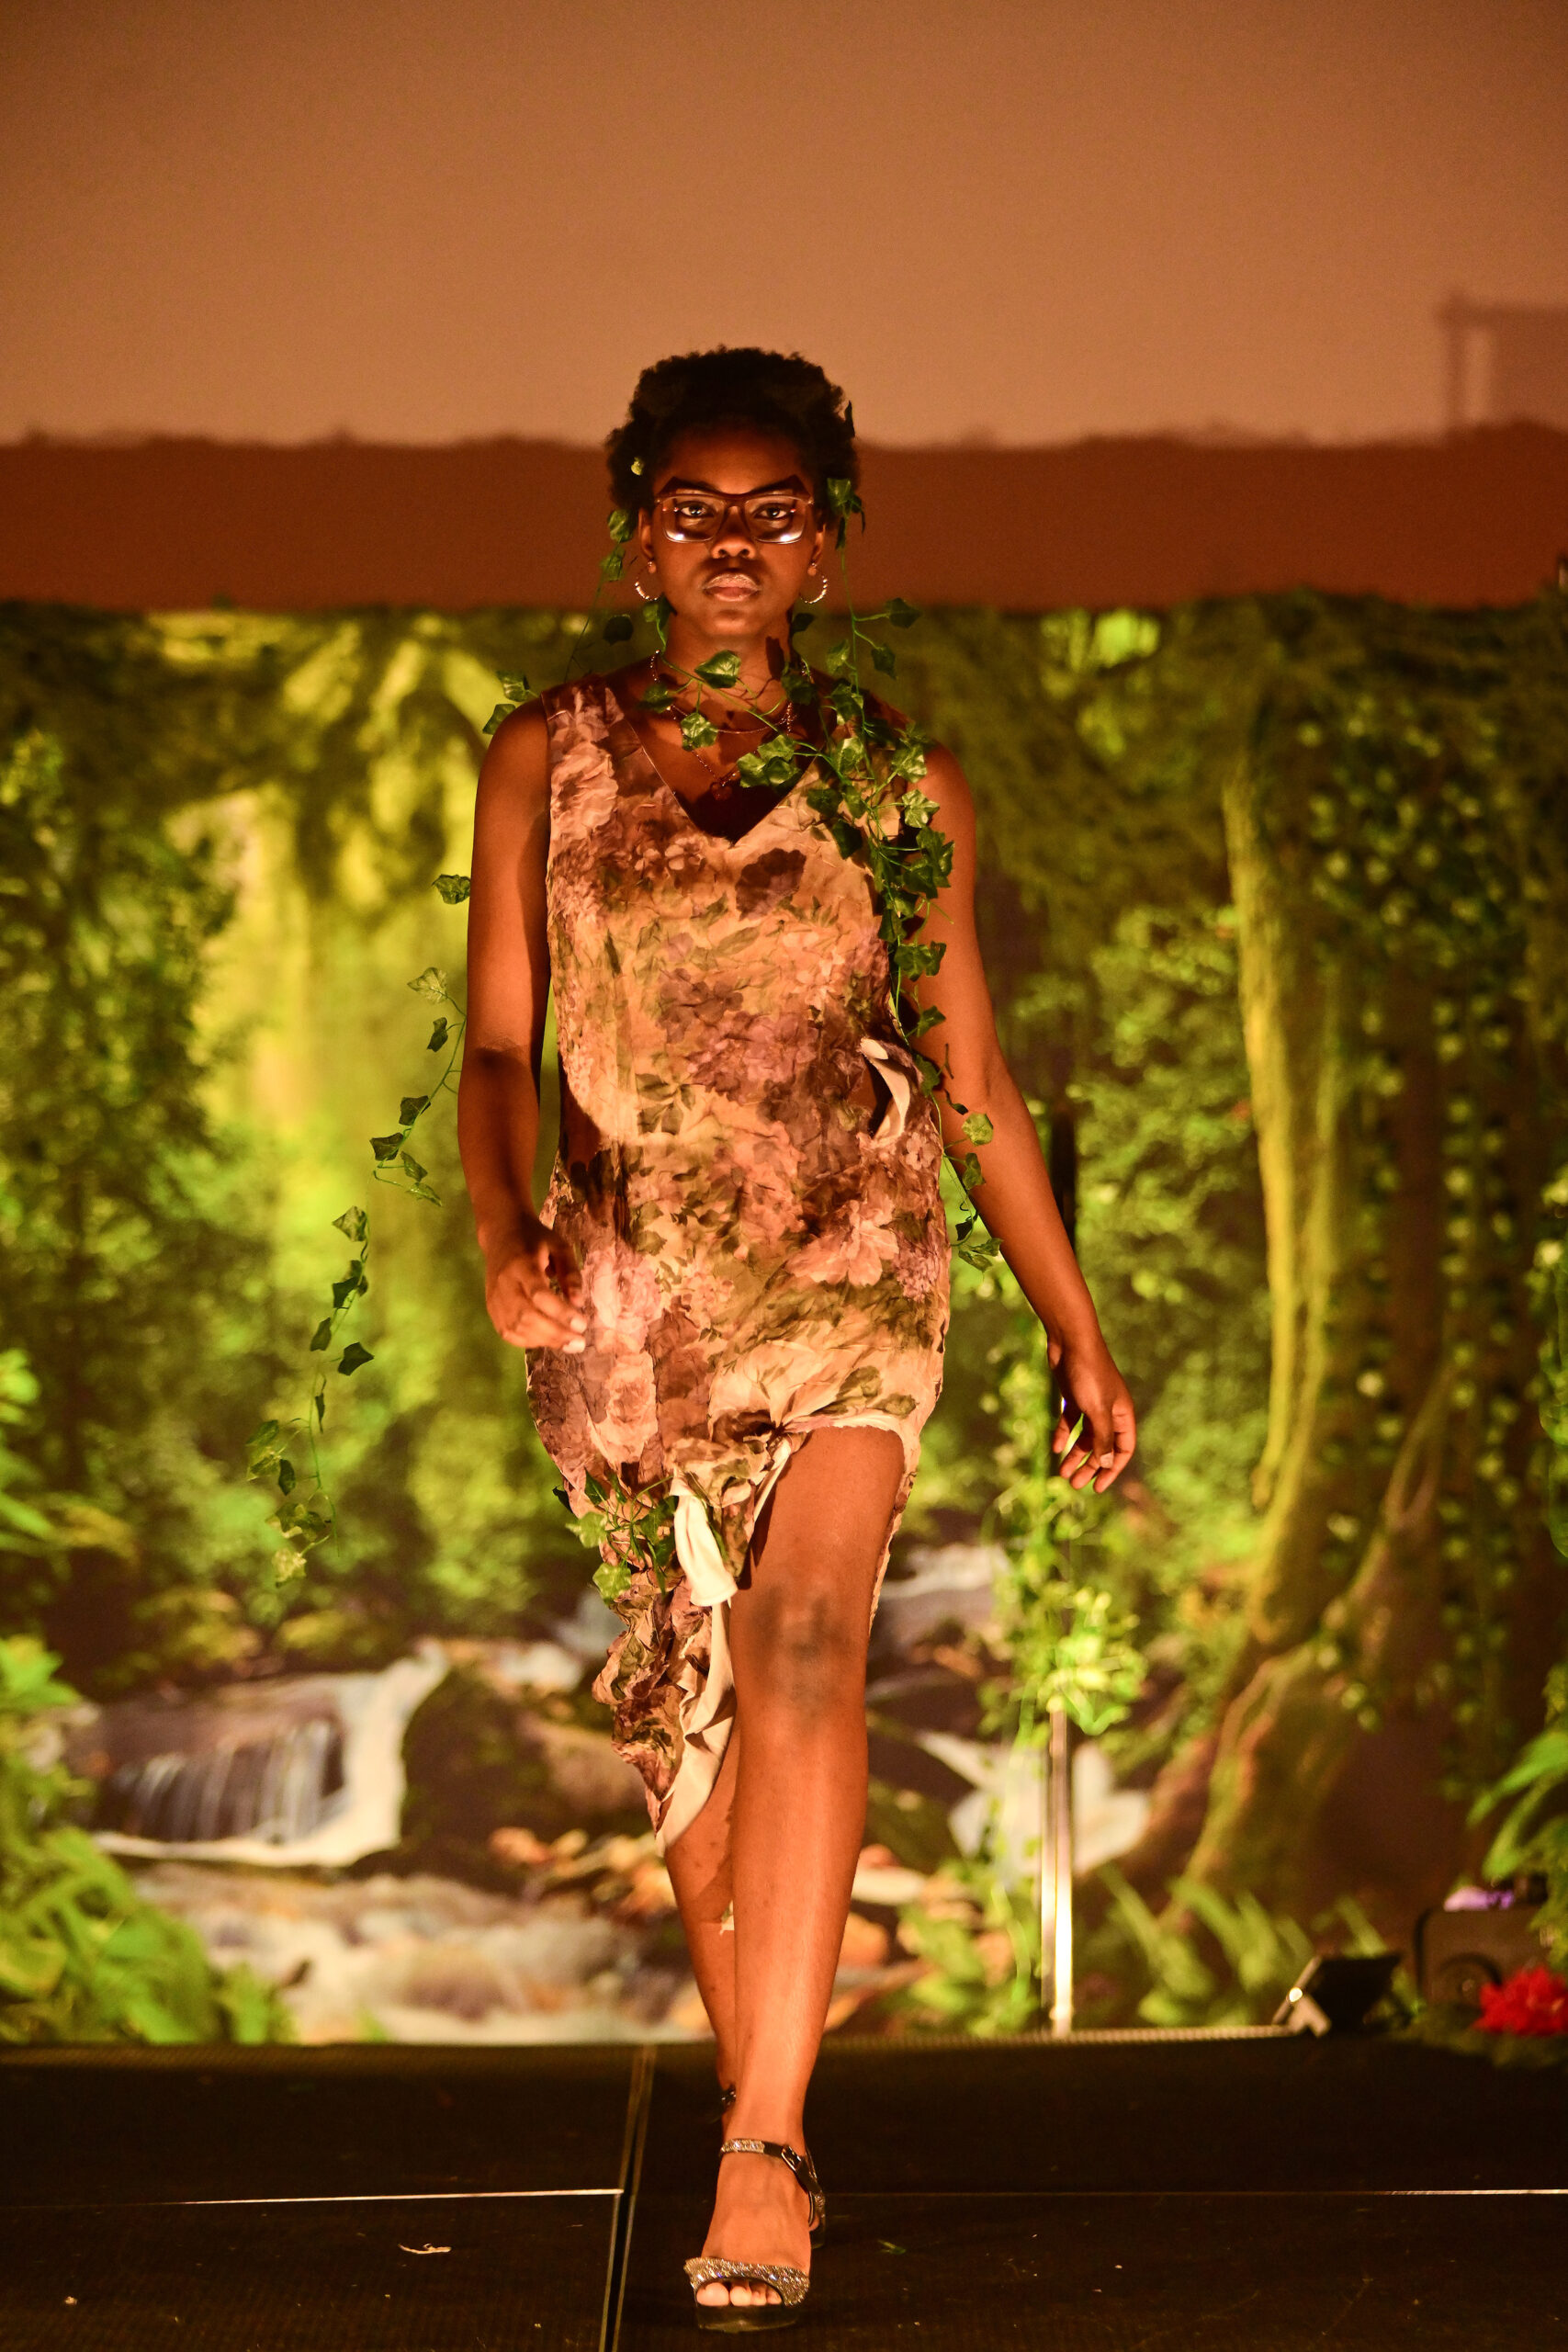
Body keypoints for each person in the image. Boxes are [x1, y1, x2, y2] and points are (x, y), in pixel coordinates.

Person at [458, 346, 1135, 2330]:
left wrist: (1073, 1321)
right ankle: (766, 2101)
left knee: (808, 1641)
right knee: (693, 1732)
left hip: (851, 1262)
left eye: (773, 515)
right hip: (630, 1295)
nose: (734, 547)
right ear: (637, 536)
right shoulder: (545, 755)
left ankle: (762, 2143)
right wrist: (501, 1229)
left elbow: (969, 1075)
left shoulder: (900, 784)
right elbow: (495, 1044)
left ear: (827, 546)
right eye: (696, 512)